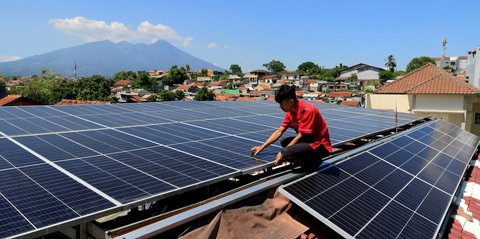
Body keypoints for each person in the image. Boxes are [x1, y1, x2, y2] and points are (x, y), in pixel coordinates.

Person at [251, 84, 332, 171]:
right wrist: (262, 146)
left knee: (286, 152)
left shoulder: (307, 110)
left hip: (319, 145)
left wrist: (283, 153)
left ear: (291, 101)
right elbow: (279, 131)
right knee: (284, 142)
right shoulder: (290, 113)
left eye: (282, 104)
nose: (280, 107)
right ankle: (304, 160)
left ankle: (313, 161)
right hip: (308, 142)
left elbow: (301, 135)